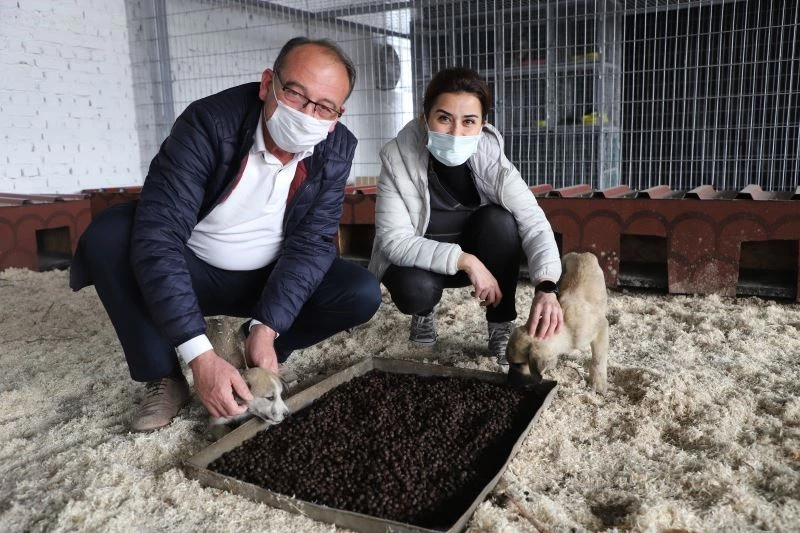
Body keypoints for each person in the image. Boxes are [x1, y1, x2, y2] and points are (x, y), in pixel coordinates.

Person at [70, 37, 382, 432]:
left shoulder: (336, 147)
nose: (307, 114)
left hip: (265, 278)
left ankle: (255, 352)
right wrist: (199, 355)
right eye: (296, 94)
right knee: (109, 235)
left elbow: (312, 242)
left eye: (324, 107)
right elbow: (160, 236)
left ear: (338, 114)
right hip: (194, 269)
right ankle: (165, 377)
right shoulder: (208, 123)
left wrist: (267, 327)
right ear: (268, 84)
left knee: (360, 291)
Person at [368, 66, 563, 365]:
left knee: (500, 221)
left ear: (483, 125)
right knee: (414, 289)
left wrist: (547, 286)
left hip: (480, 264)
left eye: (469, 121)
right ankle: (423, 315)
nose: (456, 132)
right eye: (444, 118)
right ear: (425, 118)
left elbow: (534, 222)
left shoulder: (492, 160)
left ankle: (500, 324)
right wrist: (466, 260)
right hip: (424, 266)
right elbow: (393, 241)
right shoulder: (397, 157)